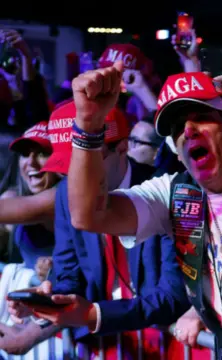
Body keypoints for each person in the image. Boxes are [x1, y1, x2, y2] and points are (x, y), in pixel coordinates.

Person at [63, 65, 222, 359]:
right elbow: (88, 215)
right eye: (178, 129)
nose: (188, 131)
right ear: (176, 151)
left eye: (202, 118)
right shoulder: (174, 192)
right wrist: (88, 124)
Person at [5, 100, 191, 358]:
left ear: (123, 148)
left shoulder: (165, 190)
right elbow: (68, 275)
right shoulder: (65, 193)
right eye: (68, 165)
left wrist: (96, 315)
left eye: (87, 161)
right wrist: (46, 300)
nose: (77, 174)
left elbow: (173, 295)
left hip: (166, 346)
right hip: (104, 347)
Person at [5, 121, 59, 270]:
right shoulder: (13, 196)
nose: (31, 162)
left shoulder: (62, 195)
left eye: (42, 153)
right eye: (25, 154)